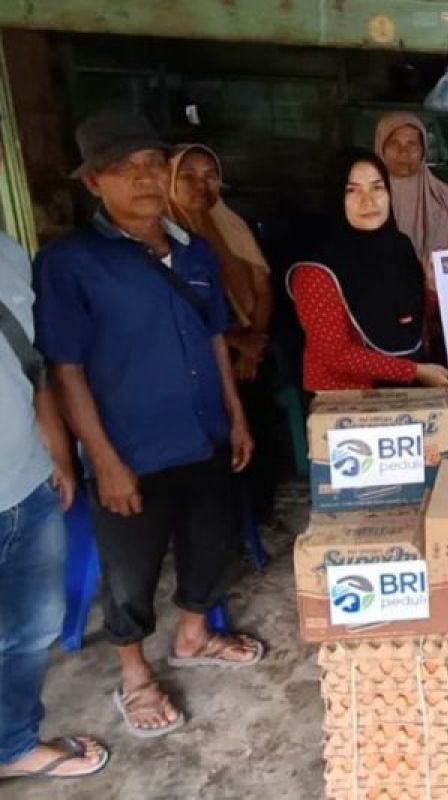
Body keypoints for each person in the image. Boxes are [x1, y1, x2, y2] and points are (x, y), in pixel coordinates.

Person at [34, 111, 264, 739]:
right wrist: (101, 458)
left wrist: (236, 415)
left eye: (152, 165)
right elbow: (66, 367)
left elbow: (217, 337)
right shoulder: (71, 262)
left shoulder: (194, 250)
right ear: (93, 184)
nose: (143, 178)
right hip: (130, 445)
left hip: (205, 432)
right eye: (123, 168)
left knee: (213, 542)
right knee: (130, 568)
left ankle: (193, 636)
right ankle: (134, 674)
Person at [0, 232, 109, 779]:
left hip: (24, 481)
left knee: (30, 630)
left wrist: (59, 453)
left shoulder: (7, 253)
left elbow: (29, 360)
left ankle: (11, 747)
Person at [167, 143, 277, 520]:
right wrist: (236, 343)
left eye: (210, 176)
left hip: (249, 342)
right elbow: (175, 313)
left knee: (259, 415)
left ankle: (258, 511)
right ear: (169, 179)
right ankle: (224, 518)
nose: (202, 185)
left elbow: (262, 288)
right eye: (189, 176)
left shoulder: (231, 224)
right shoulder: (165, 235)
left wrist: (254, 344)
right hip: (193, 354)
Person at [288, 149, 448, 391]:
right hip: (347, 405)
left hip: (409, 395)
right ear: (336, 197)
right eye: (351, 190)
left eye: (377, 188)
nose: (368, 201)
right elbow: (334, 354)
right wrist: (415, 372)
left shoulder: (400, 247)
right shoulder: (316, 270)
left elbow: (413, 328)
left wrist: (430, 290)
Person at [374, 112, 448, 261]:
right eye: (394, 143)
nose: (403, 152)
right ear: (380, 148)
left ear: (424, 150)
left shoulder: (446, 199)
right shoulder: (365, 200)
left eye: (412, 144)